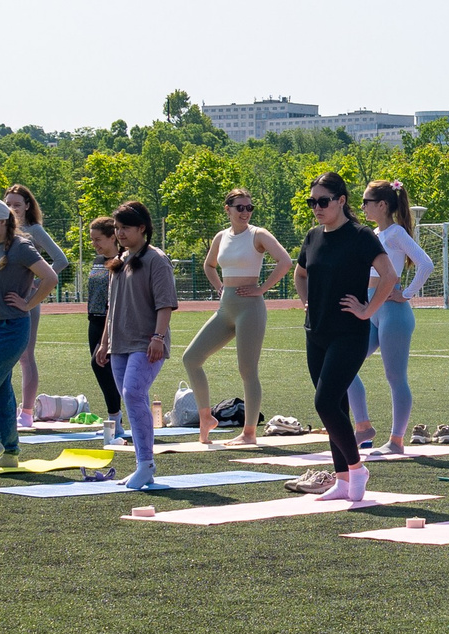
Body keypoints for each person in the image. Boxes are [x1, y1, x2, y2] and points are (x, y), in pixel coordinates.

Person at [295, 172, 399, 501]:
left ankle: (357, 468)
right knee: (336, 405)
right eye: (312, 202)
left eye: (323, 201)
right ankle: (342, 480)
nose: (317, 207)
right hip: (316, 333)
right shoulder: (312, 236)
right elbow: (300, 273)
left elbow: (389, 275)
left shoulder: (360, 235)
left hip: (349, 334)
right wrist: (307, 302)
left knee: (324, 402)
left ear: (341, 200)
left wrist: (368, 310)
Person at [183, 188, 294, 445]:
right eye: (240, 207)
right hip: (226, 309)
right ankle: (206, 417)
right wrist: (219, 287)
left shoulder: (258, 234)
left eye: (249, 208)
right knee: (191, 358)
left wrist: (262, 288)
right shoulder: (221, 237)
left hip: (250, 309)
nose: (245, 212)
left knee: (247, 369)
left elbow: (285, 261)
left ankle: (249, 432)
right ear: (228, 209)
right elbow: (209, 265)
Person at [0, 196, 60, 469]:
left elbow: (50, 277)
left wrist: (28, 303)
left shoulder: (21, 246)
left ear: (2, 221)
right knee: (0, 392)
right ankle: (11, 452)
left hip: (11, 327)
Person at [345, 180, 434, 456]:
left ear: (382, 205)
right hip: (374, 310)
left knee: (395, 376)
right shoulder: (373, 234)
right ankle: (363, 427)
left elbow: (426, 263)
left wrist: (406, 294)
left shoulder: (395, 233)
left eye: (366, 202)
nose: (362, 207)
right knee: (345, 366)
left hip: (394, 313)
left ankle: (396, 441)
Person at [94, 201, 177, 489]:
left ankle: (146, 464)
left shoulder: (157, 259)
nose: (119, 233)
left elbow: (165, 303)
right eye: (117, 228)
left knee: (132, 393)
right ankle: (144, 465)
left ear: (142, 228)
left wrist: (158, 337)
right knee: (133, 399)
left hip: (146, 342)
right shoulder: (119, 261)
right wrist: (104, 342)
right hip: (120, 344)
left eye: (125, 228)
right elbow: (111, 308)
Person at [4, 184, 68, 430]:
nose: (12, 209)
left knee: (25, 355)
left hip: (28, 301)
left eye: (17, 204)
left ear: (28, 206)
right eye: (8, 204)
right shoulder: (1, 229)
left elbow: (61, 259)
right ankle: (5, 405)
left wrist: (38, 284)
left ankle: (27, 412)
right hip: (2, 301)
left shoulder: (34, 230)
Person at [81, 215, 126, 441]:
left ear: (112, 237)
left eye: (98, 239)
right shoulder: (98, 260)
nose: (94, 244)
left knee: (102, 366)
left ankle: (117, 419)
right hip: (95, 320)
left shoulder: (123, 260)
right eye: (92, 239)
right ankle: (115, 420)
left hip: (115, 322)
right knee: (101, 368)